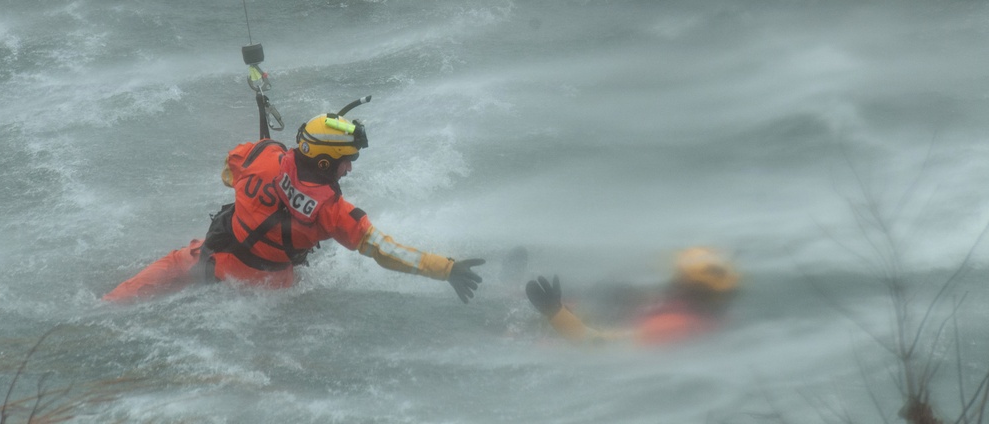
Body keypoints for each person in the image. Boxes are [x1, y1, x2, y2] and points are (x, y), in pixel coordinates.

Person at [104, 106, 485, 304]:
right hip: (264, 292)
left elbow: (228, 170)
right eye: (345, 160)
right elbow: (386, 252)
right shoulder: (335, 214)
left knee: (114, 304)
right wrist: (444, 269)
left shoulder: (258, 154)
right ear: (323, 162)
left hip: (205, 261)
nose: (349, 167)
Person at [524, 247, 739, 345]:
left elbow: (597, 345)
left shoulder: (672, 325)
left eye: (679, 279)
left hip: (586, 338)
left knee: (609, 294)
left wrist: (556, 313)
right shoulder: (704, 314)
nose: (673, 282)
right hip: (616, 319)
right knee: (614, 291)